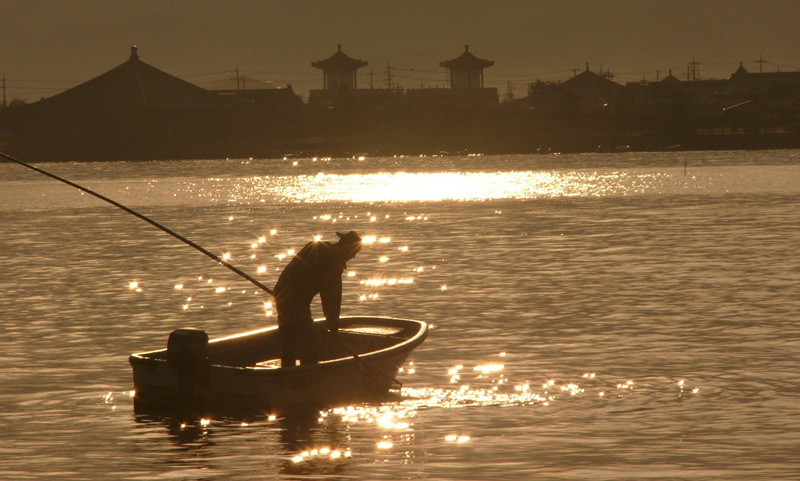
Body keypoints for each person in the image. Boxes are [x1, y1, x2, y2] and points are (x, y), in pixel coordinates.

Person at [273, 231, 362, 368]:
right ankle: (305, 378)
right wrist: (333, 327)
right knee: (311, 345)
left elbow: (292, 269)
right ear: (348, 248)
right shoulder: (334, 264)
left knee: (288, 340)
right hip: (296, 302)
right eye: (354, 252)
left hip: (280, 293)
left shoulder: (315, 246)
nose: (354, 256)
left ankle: (287, 370)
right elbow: (331, 300)